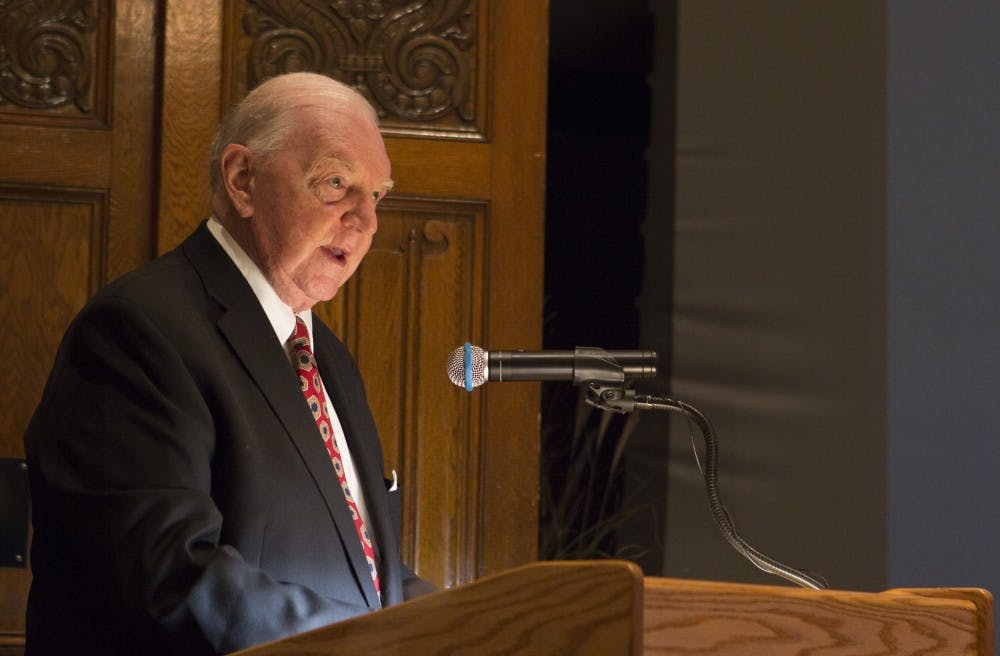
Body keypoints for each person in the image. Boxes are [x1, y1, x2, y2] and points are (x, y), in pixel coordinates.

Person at [23, 72, 435, 655]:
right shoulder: (138, 330)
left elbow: (373, 579)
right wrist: (379, 643)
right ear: (243, 180)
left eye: (377, 196)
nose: (366, 221)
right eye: (336, 183)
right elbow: (169, 580)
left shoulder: (330, 362)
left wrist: (479, 626)